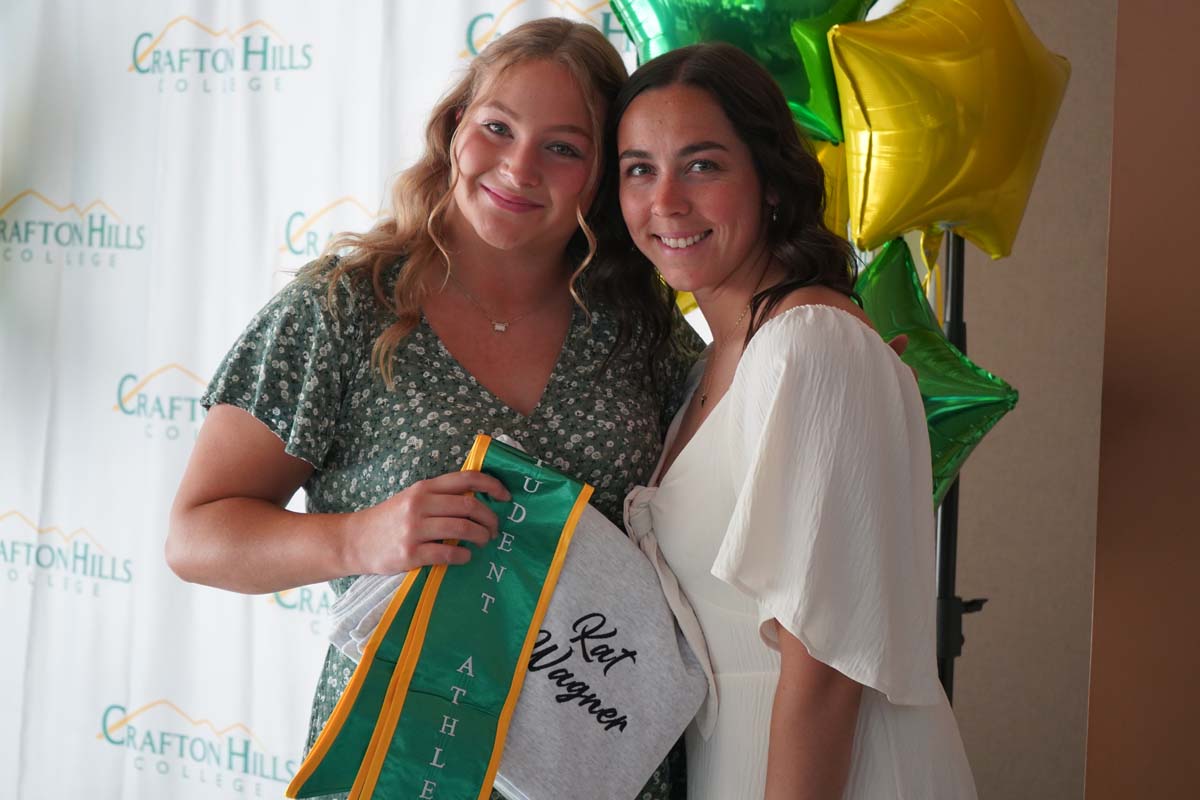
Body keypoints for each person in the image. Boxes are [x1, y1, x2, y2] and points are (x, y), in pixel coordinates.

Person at [165, 19, 696, 800]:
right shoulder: (344, 308)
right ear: (454, 130)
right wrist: (359, 538)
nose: (518, 167)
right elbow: (195, 534)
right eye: (497, 128)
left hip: (603, 769)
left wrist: (817, 340)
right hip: (405, 764)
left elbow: (738, 445)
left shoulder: (636, 323)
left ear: (602, 176)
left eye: (564, 146)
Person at [609, 44, 978, 799]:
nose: (666, 200)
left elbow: (827, 673)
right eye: (639, 168)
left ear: (771, 182)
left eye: (703, 164)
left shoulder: (811, 345)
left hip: (840, 773)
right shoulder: (719, 358)